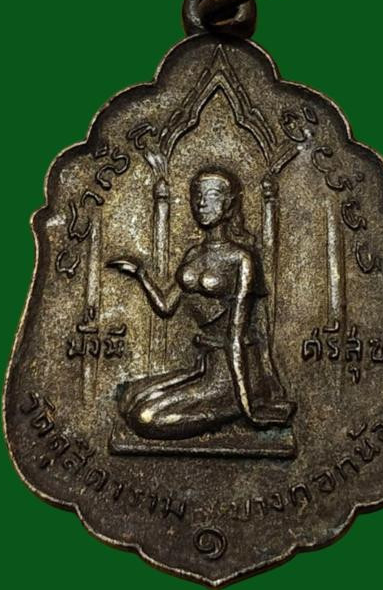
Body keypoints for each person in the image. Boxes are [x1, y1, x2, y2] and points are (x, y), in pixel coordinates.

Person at [107, 166, 294, 439]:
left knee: (145, 418)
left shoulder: (242, 259)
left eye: (212, 195)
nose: (202, 203)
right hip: (206, 364)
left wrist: (248, 407)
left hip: (234, 370)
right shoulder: (193, 254)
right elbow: (166, 307)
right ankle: (217, 408)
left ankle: (228, 412)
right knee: (127, 399)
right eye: (197, 195)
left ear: (229, 205)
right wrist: (141, 274)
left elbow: (235, 337)